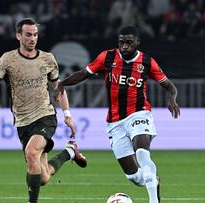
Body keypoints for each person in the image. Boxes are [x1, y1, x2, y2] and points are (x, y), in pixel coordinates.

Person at [55, 26, 180, 203]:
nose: (125, 46)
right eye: (121, 42)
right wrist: (63, 83)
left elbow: (169, 85)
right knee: (135, 177)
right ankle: (153, 181)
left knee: (143, 154)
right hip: (115, 122)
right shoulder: (107, 57)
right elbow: (84, 73)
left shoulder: (147, 61)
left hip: (139, 114)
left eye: (129, 42)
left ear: (137, 42)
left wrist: (172, 99)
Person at [0, 18, 87, 203]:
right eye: (28, 34)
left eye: (35, 34)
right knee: (43, 177)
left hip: (45, 115)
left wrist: (67, 114)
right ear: (18, 35)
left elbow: (58, 89)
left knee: (32, 152)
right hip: (22, 122)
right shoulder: (8, 59)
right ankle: (69, 152)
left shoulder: (48, 59)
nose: (32, 38)